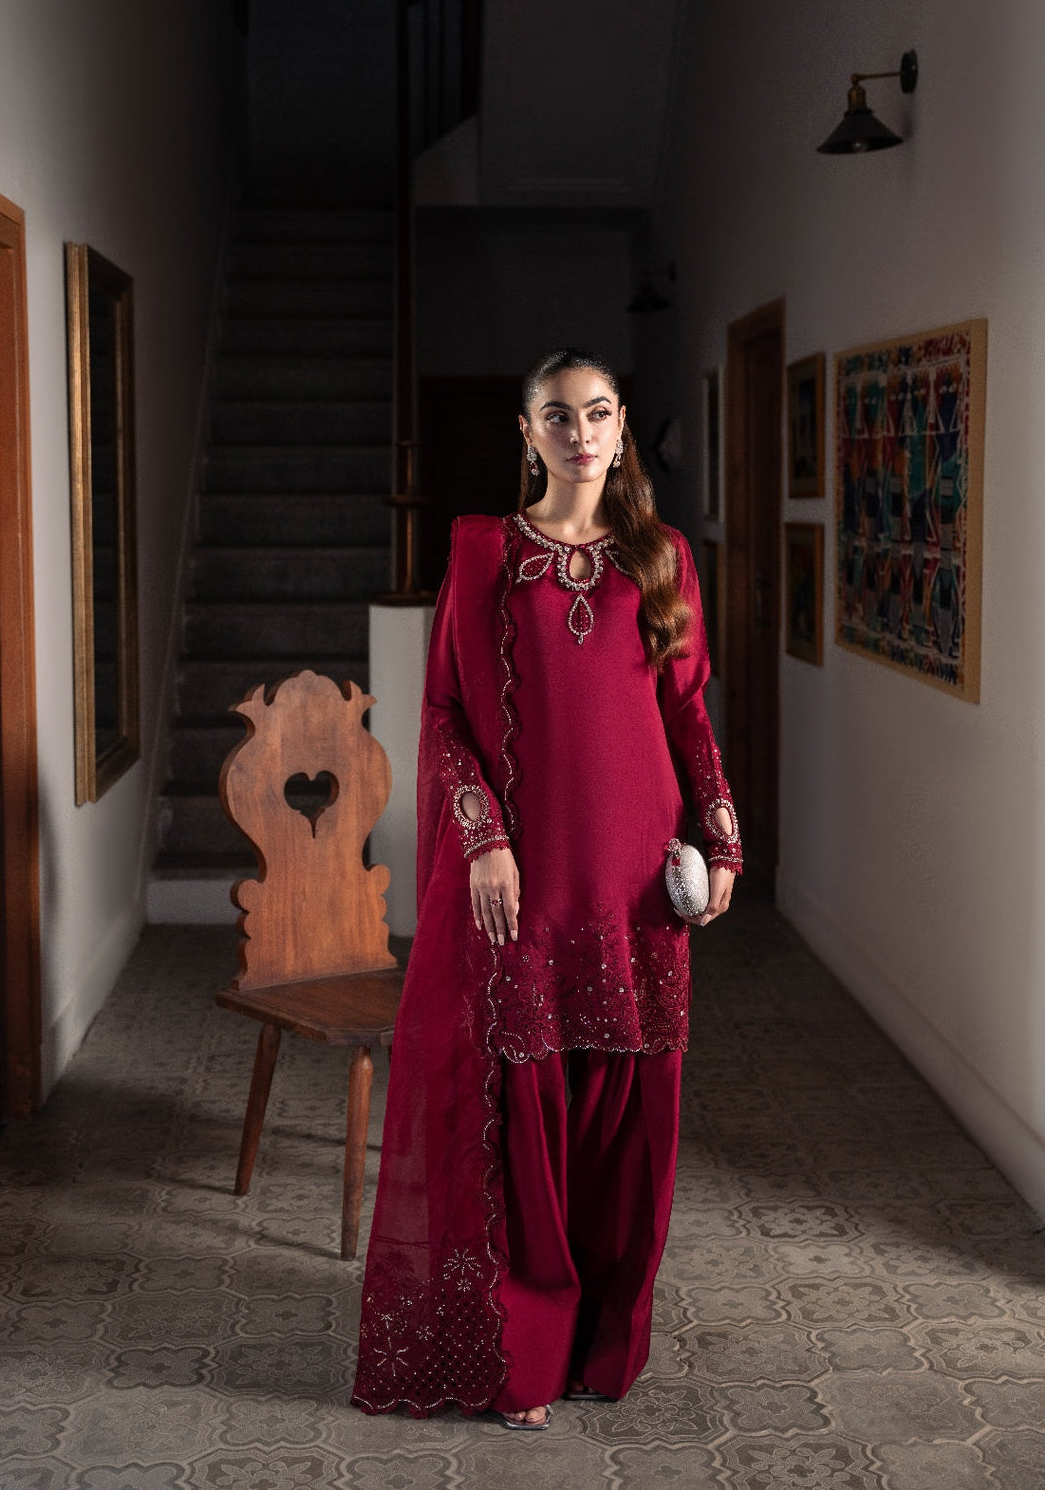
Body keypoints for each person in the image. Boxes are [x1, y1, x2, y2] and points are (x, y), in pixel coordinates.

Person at [352, 347, 741, 1428]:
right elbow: (443, 714)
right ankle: (526, 1352)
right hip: (528, 882)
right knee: (530, 1114)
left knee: (625, 1126)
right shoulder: (487, 553)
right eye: (558, 417)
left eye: (598, 413)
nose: (581, 434)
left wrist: (719, 835)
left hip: (637, 883)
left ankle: (600, 1347)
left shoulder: (662, 557)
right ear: (527, 434)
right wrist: (482, 839)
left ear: (620, 428)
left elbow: (686, 711)